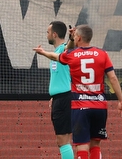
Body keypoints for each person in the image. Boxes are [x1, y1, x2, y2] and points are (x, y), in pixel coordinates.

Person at [35, 24, 122, 159]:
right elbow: (112, 78)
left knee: (82, 145)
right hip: (99, 106)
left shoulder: (73, 55)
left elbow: (56, 57)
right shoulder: (102, 54)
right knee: (95, 144)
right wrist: (121, 100)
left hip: (80, 105)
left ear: (78, 38)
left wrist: (42, 53)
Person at [43, 21, 73, 159]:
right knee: (63, 140)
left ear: (54, 34)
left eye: (48, 32)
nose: (47, 35)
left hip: (64, 99)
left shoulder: (62, 50)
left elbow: (69, 47)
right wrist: (53, 96)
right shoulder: (56, 52)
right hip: (59, 98)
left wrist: (72, 39)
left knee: (62, 140)